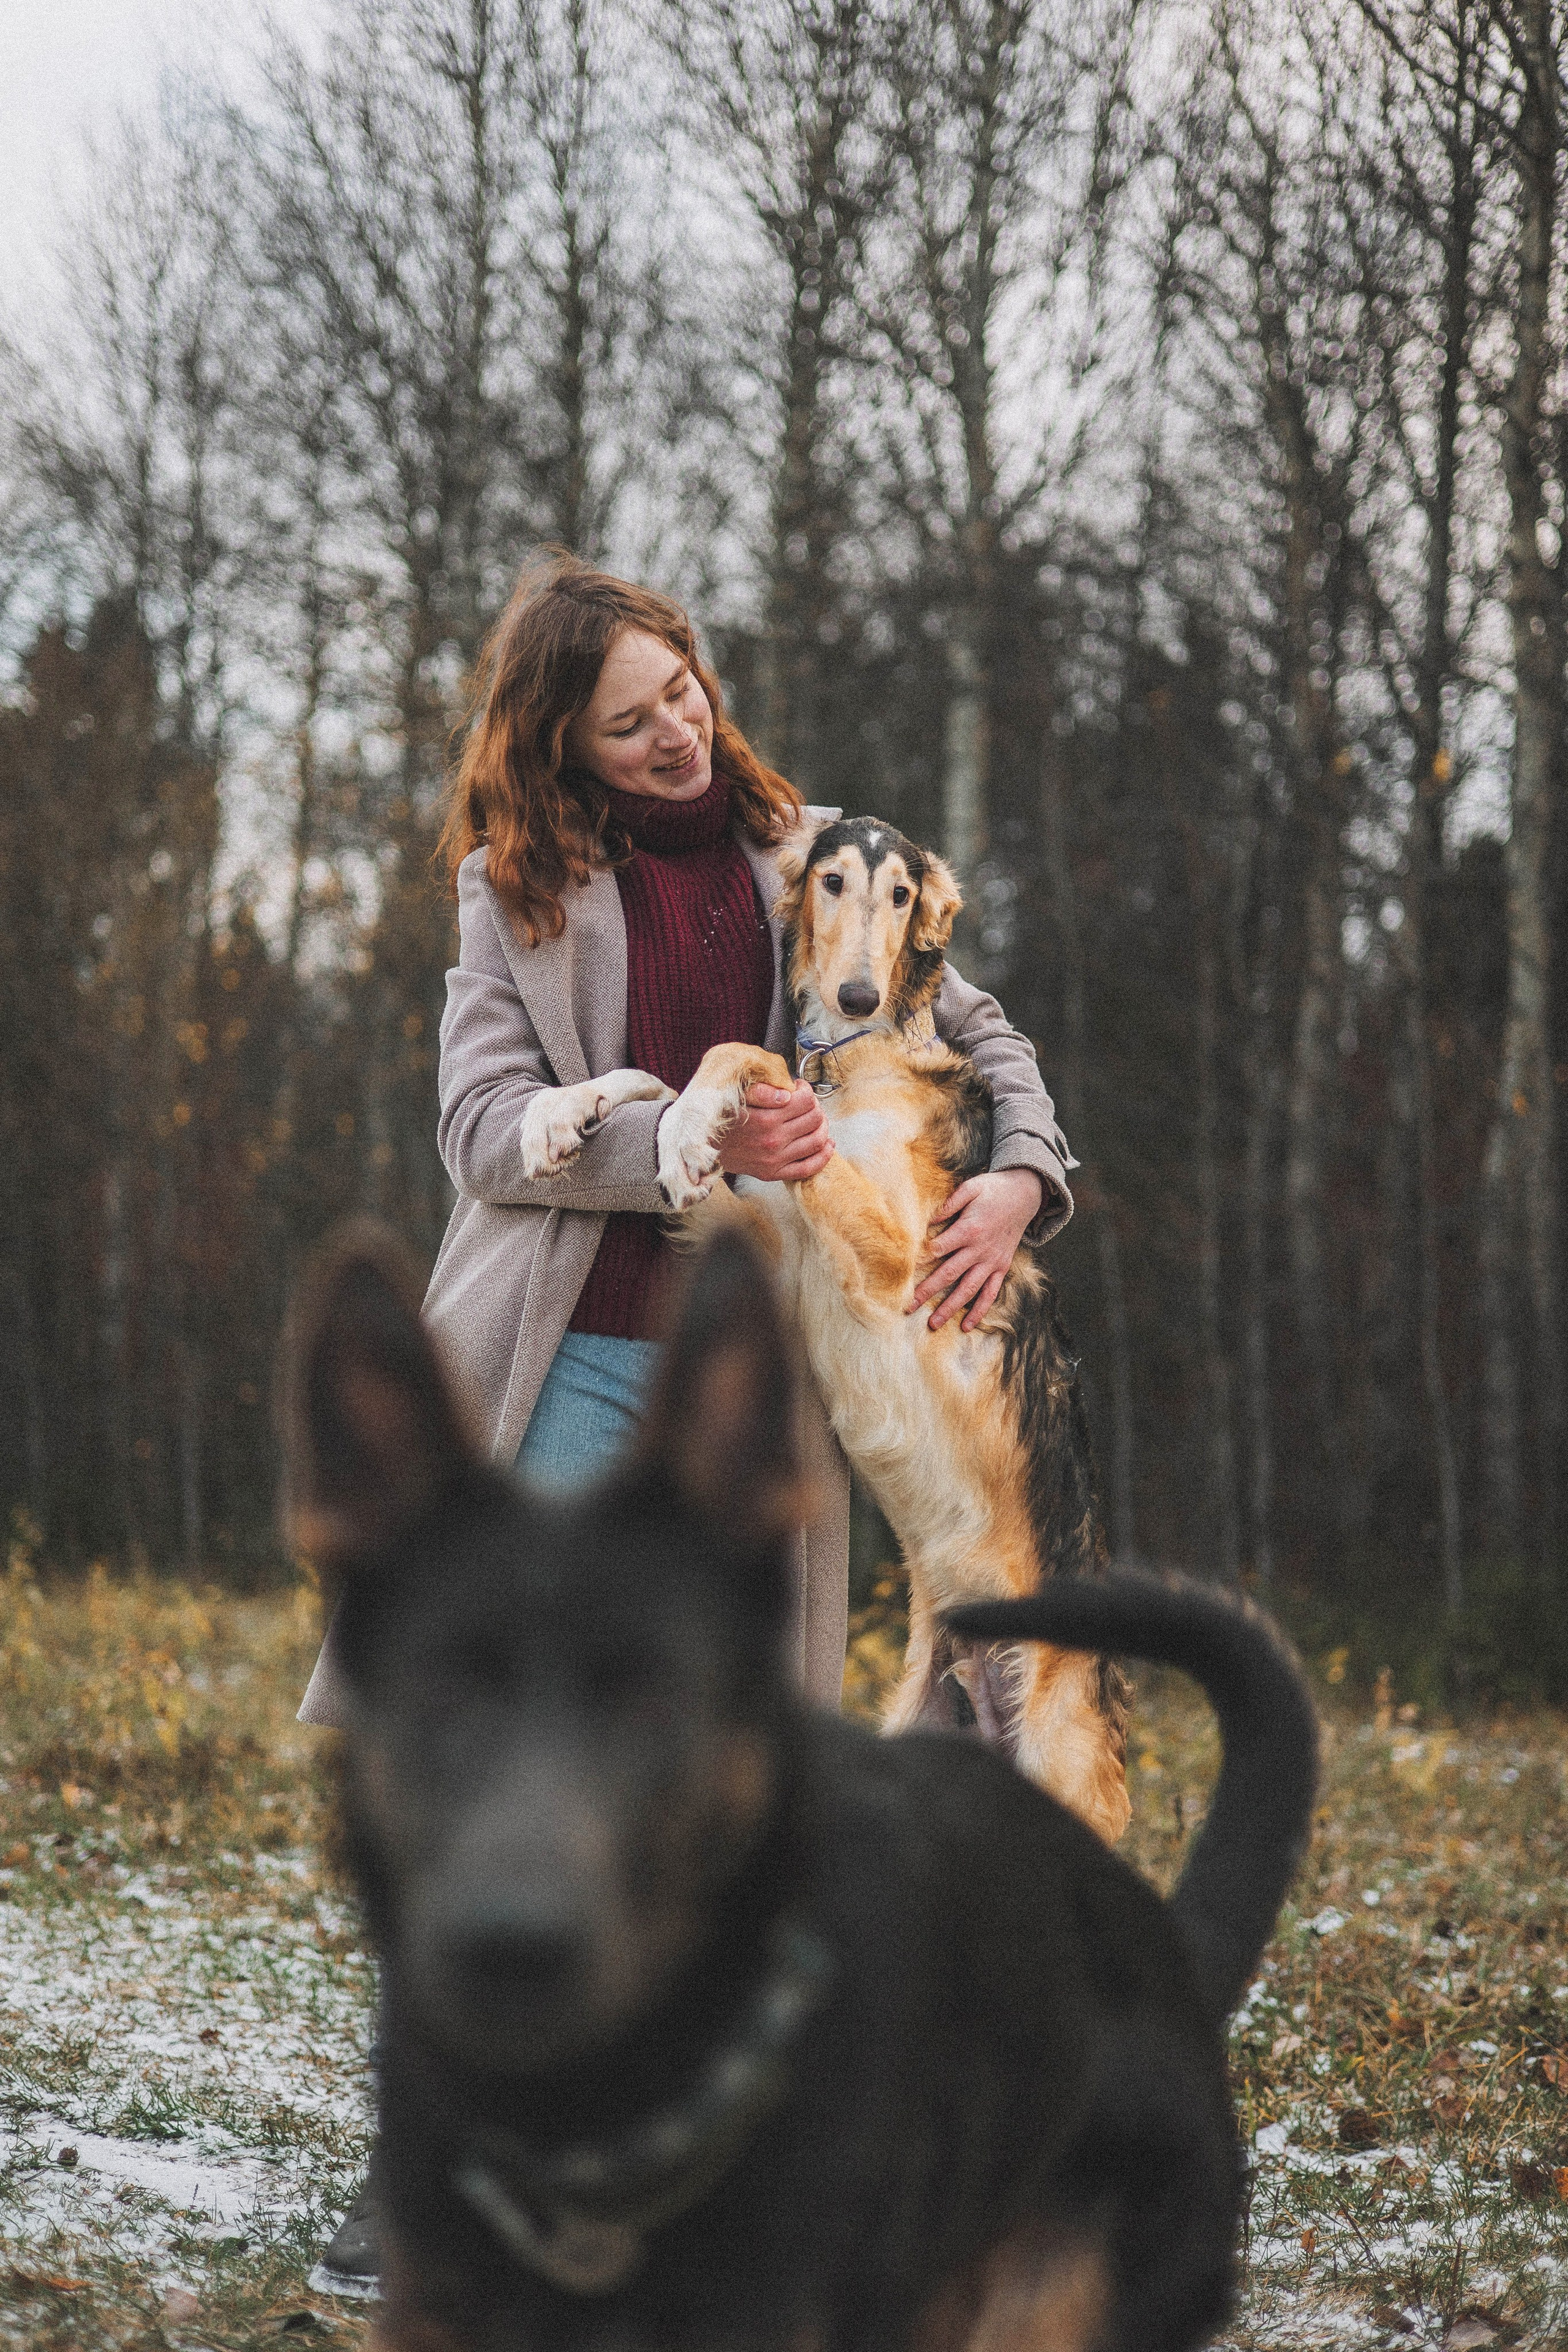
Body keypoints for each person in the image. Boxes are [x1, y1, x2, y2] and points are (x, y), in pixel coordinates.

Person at [299, 556, 1077, 2294]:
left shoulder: (806, 862)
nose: (680, 733)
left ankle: (710, 2158)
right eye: (633, 718)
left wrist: (1026, 1173)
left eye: (688, 693)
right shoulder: (517, 895)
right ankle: (421, 2163)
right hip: (562, 1356)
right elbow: (483, 1129)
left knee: (719, 1777)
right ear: (560, 740)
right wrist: (670, 1142)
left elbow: (986, 1030)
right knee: (505, 1755)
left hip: (751, 1397)